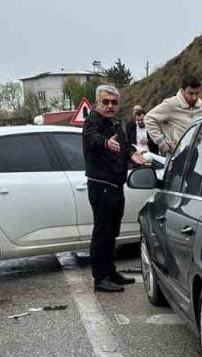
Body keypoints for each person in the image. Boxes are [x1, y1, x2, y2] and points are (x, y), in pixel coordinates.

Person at [82, 85, 145, 293]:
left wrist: (132, 154)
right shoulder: (92, 121)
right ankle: (100, 278)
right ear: (97, 103)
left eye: (114, 102)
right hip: (101, 186)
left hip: (116, 185)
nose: (110, 106)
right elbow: (93, 139)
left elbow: (126, 145)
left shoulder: (115, 123)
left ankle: (110, 271)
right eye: (105, 102)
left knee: (112, 232)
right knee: (102, 233)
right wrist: (106, 143)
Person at [144, 75, 202, 154]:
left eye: (197, 93)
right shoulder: (171, 104)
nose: (194, 97)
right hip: (175, 155)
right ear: (182, 91)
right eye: (191, 93)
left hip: (196, 153)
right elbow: (149, 118)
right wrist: (161, 142)